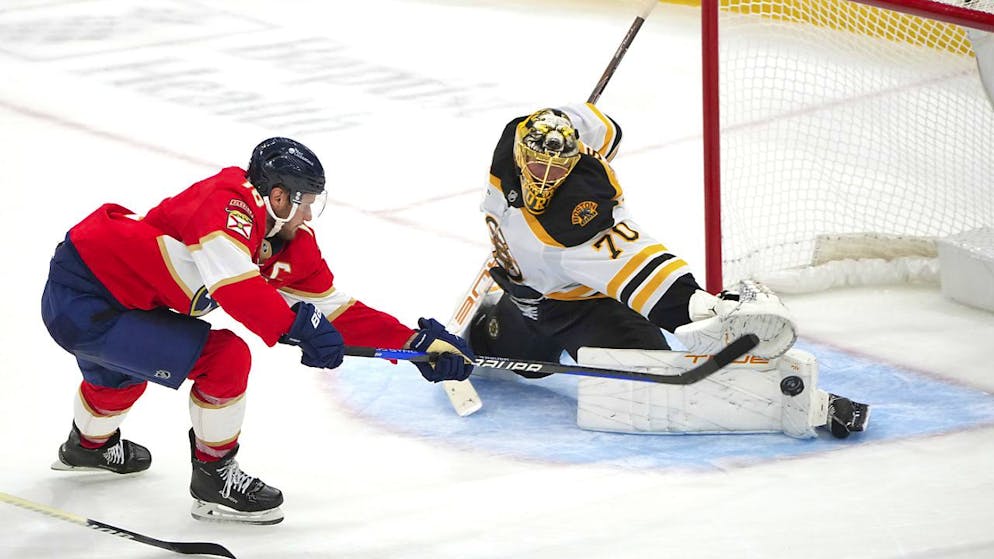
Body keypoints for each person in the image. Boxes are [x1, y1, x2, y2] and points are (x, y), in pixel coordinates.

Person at [40, 137, 474, 525]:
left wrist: (414, 345)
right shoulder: (227, 202)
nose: (308, 214)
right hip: (85, 297)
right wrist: (295, 327)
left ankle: (88, 447)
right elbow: (237, 286)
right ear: (277, 195)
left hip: (123, 299)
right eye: (304, 202)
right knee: (224, 358)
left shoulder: (291, 242)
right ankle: (215, 480)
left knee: (120, 374)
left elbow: (335, 309)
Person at [466, 104, 869, 439]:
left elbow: (644, 267)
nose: (546, 177)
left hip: (588, 308)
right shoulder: (511, 140)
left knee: (657, 394)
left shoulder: (580, 220)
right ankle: (497, 314)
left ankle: (798, 398)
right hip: (526, 300)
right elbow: (606, 130)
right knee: (514, 362)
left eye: (558, 169)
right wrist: (584, 128)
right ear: (521, 153)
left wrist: (703, 308)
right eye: (538, 165)